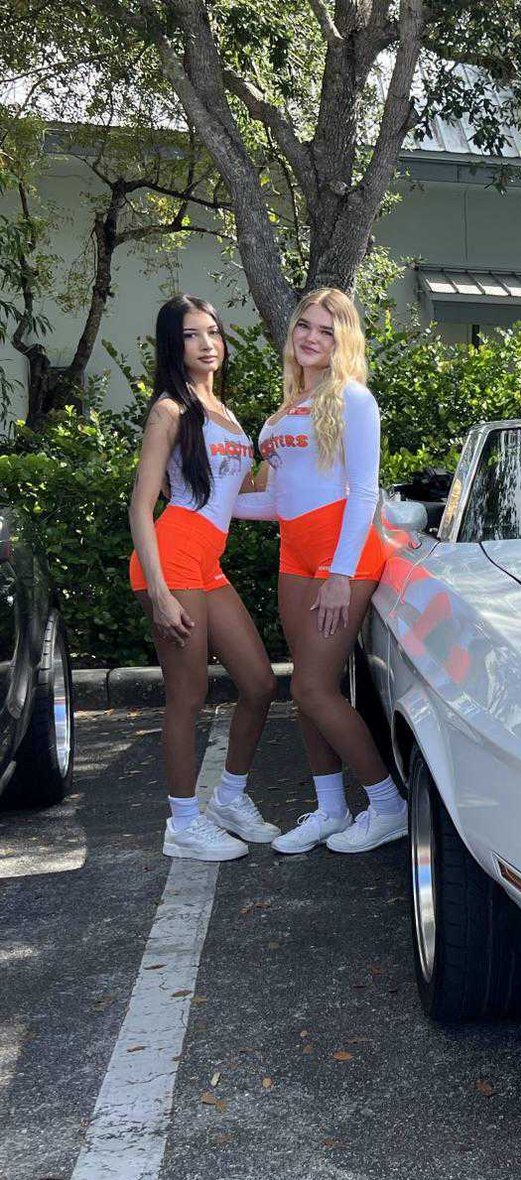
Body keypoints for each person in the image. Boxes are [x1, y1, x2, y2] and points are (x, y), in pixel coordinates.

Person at [234, 287, 405, 855]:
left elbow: (363, 493)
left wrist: (338, 573)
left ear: (343, 340)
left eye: (327, 330)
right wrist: (207, 502)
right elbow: (276, 501)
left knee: (312, 687)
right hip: (295, 554)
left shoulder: (353, 398)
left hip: (342, 560)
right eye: (305, 325)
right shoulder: (285, 409)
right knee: (307, 687)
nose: (312, 337)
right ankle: (330, 808)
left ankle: (388, 806)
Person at [128, 295, 281, 861]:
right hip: (172, 560)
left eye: (213, 332)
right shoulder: (170, 410)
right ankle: (184, 824)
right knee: (188, 695)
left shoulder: (224, 410)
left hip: (207, 563)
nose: (207, 344)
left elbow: (236, 492)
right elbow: (141, 504)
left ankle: (230, 799)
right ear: (174, 345)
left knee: (260, 684)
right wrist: (160, 592)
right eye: (192, 335)